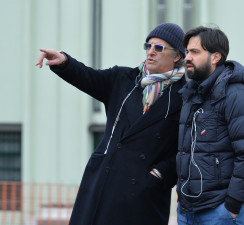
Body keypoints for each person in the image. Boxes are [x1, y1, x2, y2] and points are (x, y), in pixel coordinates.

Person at [35, 23, 186, 225]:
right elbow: (88, 76)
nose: (150, 52)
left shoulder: (185, 95)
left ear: (177, 56)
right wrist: (64, 61)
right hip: (105, 180)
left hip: (145, 192)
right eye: (148, 46)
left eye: (158, 48)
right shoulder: (123, 79)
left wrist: (161, 174)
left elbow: (187, 147)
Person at [176, 26, 244, 225]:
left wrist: (232, 206)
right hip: (187, 210)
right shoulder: (191, 95)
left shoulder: (237, 96)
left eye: (195, 52)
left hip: (220, 211)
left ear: (215, 57)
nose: (187, 57)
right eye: (187, 51)